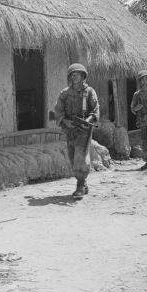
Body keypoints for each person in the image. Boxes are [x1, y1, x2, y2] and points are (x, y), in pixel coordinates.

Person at [53, 63, 100, 199]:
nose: (75, 77)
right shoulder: (65, 93)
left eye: (78, 74)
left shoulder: (89, 91)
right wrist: (65, 121)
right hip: (70, 129)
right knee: (73, 157)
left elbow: (95, 109)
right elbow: (58, 110)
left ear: (83, 76)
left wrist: (89, 120)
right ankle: (83, 183)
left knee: (80, 155)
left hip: (84, 129)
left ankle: (80, 184)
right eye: (72, 75)